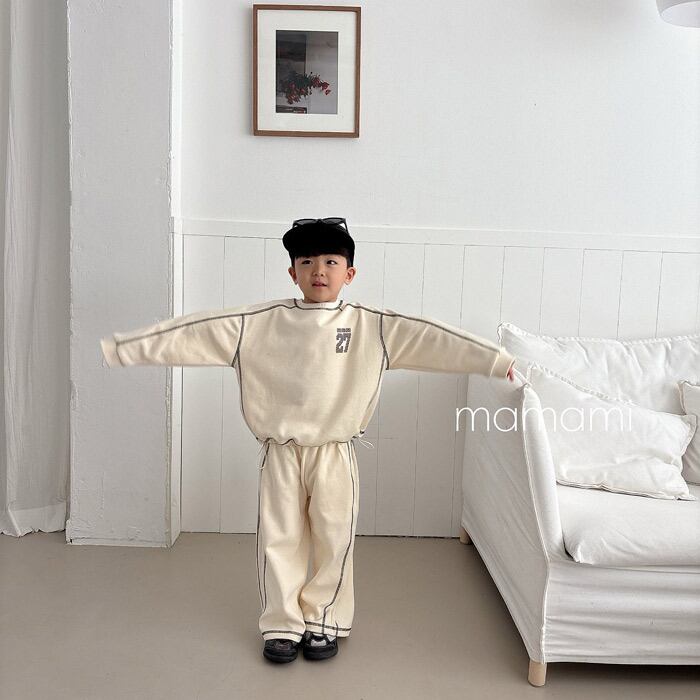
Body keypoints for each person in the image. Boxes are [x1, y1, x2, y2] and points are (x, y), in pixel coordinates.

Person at [100, 217, 516, 665]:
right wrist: (123, 348)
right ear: (292, 272)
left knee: (334, 538)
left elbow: (434, 339)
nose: (319, 270)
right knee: (279, 538)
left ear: (349, 273)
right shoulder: (259, 323)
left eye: (331, 262)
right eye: (307, 261)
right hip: (281, 452)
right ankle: (282, 624)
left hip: (335, 452)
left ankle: (324, 620)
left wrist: (496, 361)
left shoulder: (371, 326)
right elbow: (193, 333)